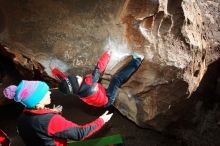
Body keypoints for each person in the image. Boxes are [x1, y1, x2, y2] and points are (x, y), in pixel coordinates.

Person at [3, 80, 113, 146]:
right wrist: (102, 120)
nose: (49, 92)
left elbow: (37, 124)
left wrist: (51, 111)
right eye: (45, 92)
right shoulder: (51, 120)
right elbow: (80, 133)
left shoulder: (22, 117)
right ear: (38, 99)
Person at [51, 49, 144, 107]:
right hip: (107, 99)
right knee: (116, 79)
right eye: (76, 78)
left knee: (70, 80)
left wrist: (54, 70)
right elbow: (99, 68)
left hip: (97, 97)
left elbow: (63, 80)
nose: (77, 76)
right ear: (77, 85)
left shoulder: (74, 89)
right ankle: (137, 60)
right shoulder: (89, 83)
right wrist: (108, 53)